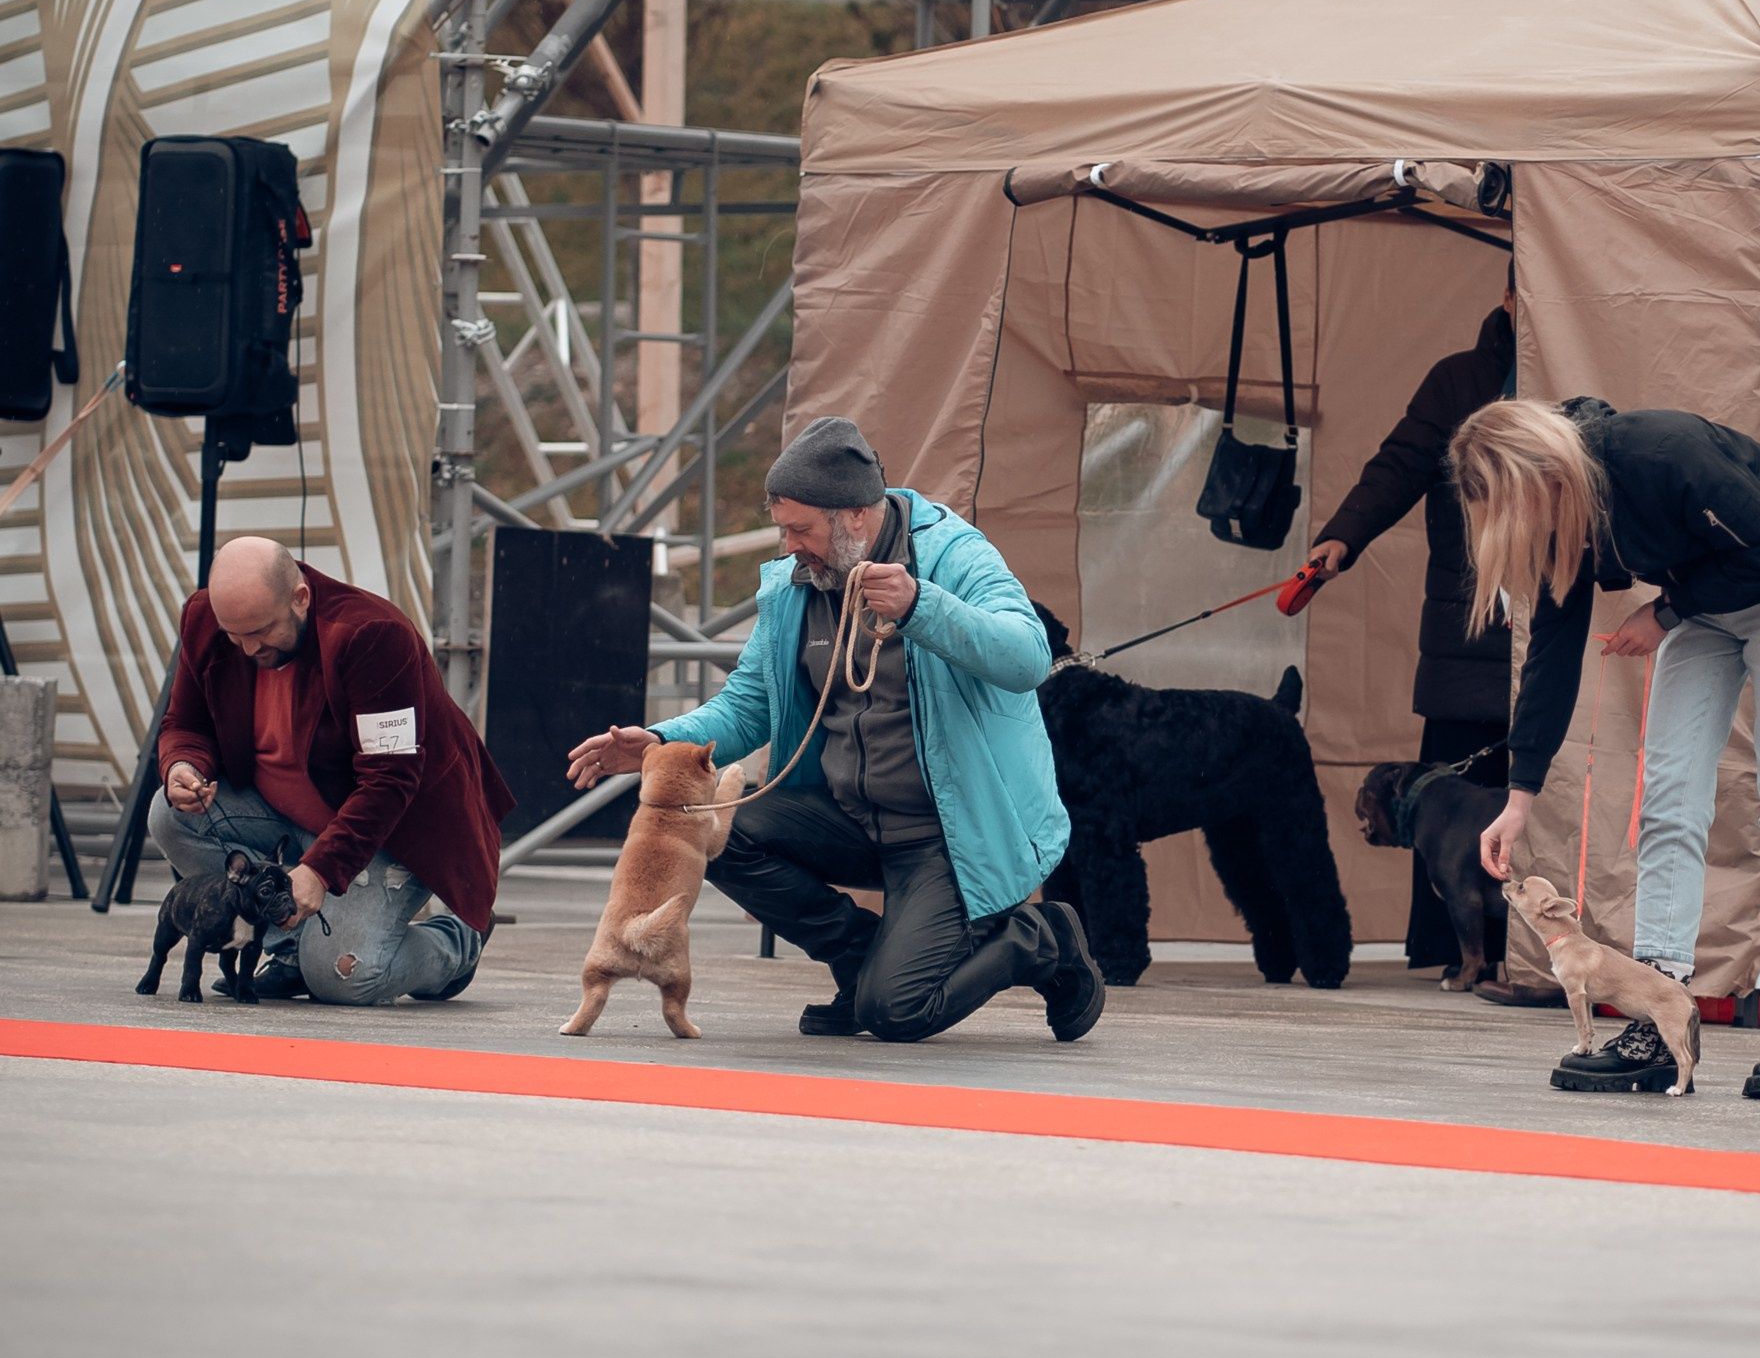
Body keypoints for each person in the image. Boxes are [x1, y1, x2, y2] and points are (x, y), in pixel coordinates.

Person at [564, 416, 1104, 1045]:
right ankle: (860, 960)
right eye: (783, 529)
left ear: (854, 517)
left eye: (801, 529)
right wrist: (660, 741)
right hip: (849, 817)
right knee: (706, 826)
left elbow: (1027, 659)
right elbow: (749, 705)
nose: (789, 544)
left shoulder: (955, 555)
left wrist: (920, 607)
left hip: (950, 835)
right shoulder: (795, 583)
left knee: (896, 1015)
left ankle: (1041, 939)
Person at [1459, 396, 1760, 1100]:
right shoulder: (1563, 511)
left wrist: (1666, 610)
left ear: (1545, 469)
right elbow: (1552, 649)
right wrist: (1520, 797)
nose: (1529, 527)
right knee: (1666, 807)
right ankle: (1655, 1023)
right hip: (1703, 609)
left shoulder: (1656, 451)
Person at [150, 537, 510, 1005]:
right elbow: (185, 722)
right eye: (233, 634)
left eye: (260, 631)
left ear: (300, 598)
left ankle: (456, 941)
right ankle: (288, 949)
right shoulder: (205, 619)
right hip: (282, 816)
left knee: (345, 979)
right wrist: (183, 764)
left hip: (388, 830)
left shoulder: (373, 635)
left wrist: (319, 871)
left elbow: (390, 781)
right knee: (169, 814)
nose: (246, 648)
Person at [1306, 265, 1517, 990]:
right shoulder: (1459, 380)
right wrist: (1345, 535)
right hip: (1465, 615)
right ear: (1510, 296)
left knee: (1539, 783)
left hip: (1551, 614)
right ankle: (1449, 951)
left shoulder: (1583, 368)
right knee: (1452, 794)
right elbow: (1399, 462)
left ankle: (1532, 954)